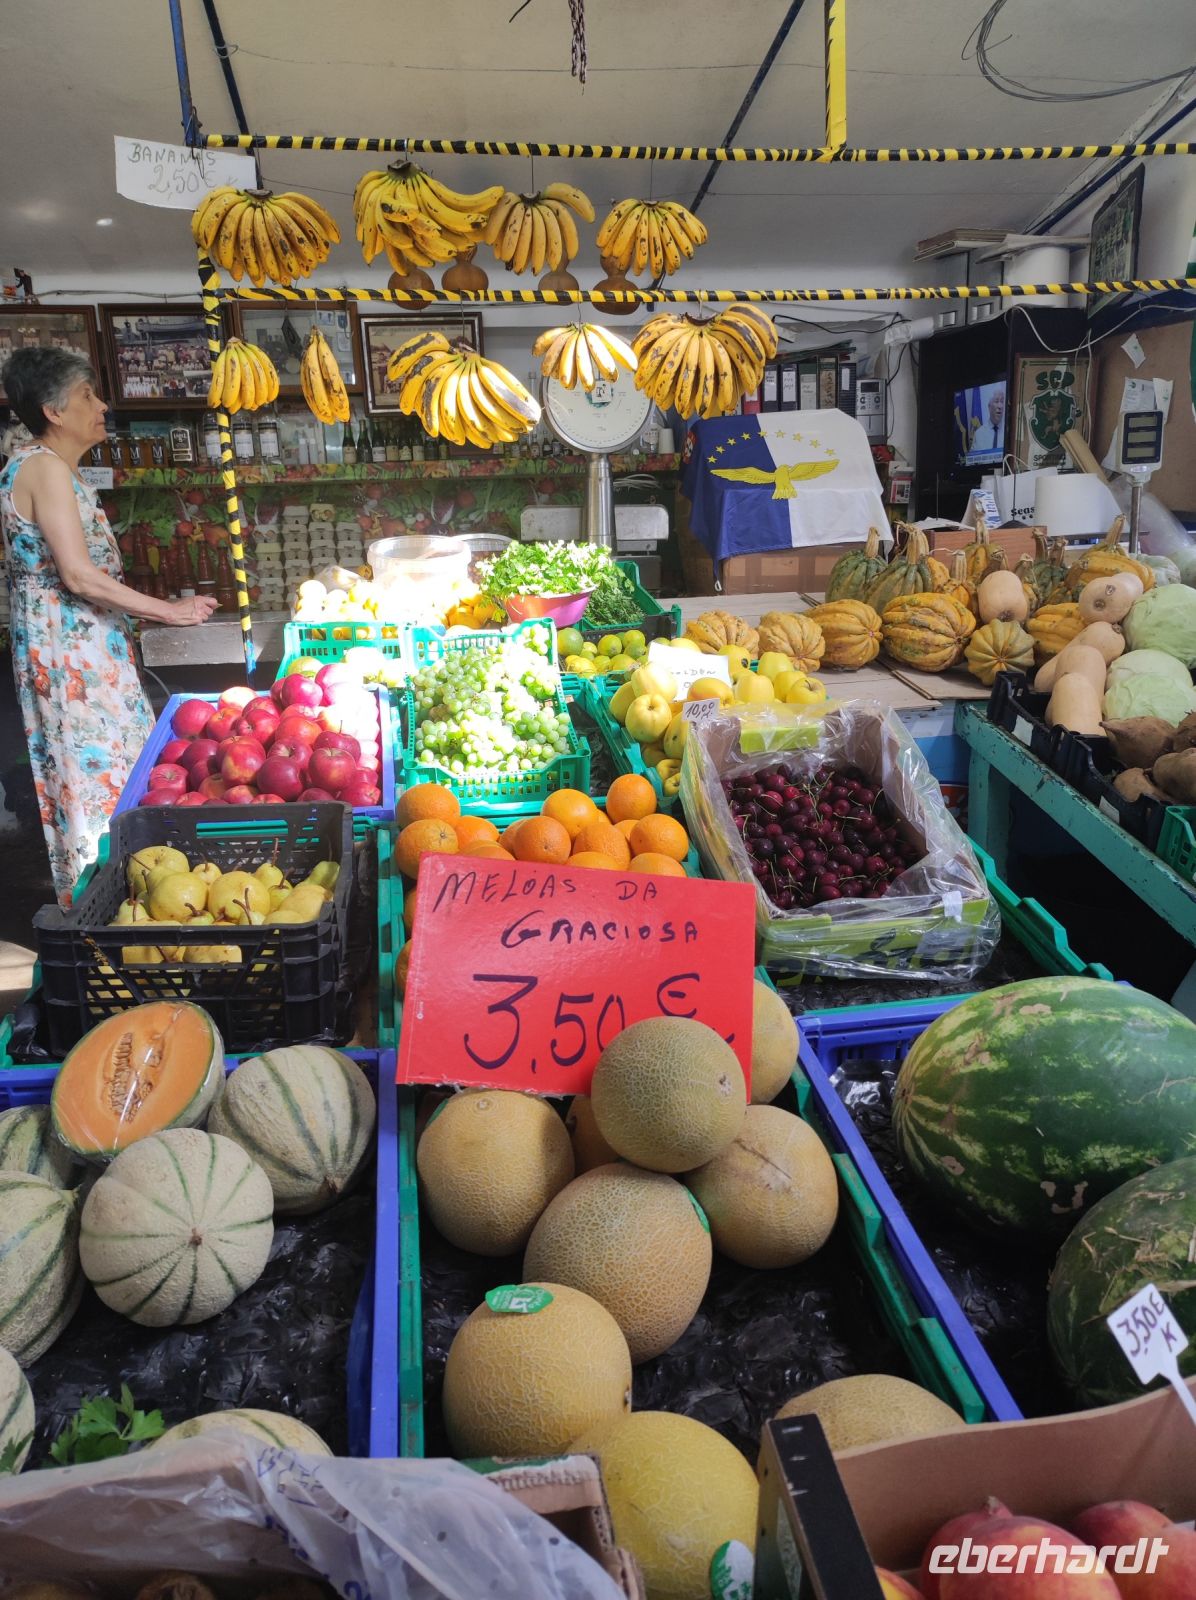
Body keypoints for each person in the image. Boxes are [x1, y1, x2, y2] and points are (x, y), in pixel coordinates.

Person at [0, 347, 218, 903]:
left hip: (83, 650)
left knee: (116, 774)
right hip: (72, 658)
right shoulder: (44, 468)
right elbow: (77, 575)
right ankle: (111, 908)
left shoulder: (51, 469)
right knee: (97, 785)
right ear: (53, 411)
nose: (102, 406)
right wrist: (168, 611)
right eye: (87, 396)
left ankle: (136, 898)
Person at [971, 388, 1005, 455]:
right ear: (989, 407)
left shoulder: (1008, 431)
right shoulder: (979, 434)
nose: (1000, 406)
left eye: (1002, 401)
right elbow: (972, 459)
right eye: (996, 401)